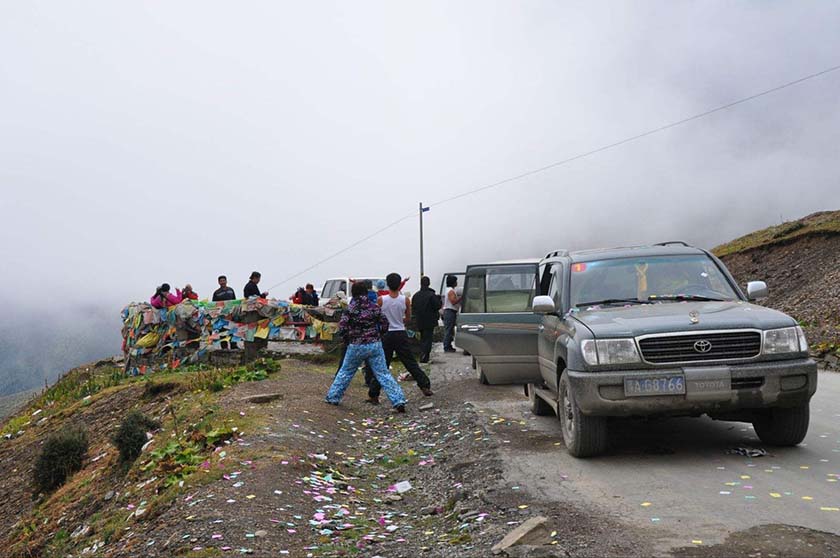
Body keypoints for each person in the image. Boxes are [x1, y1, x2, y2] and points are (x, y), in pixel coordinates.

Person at [326, 281, 407, 412]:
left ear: (353, 293)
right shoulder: (374, 307)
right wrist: (378, 335)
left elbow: (342, 328)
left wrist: (348, 339)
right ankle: (398, 400)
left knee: (346, 372)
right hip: (374, 344)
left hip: (356, 345)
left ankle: (333, 397)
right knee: (383, 373)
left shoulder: (350, 309)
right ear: (366, 292)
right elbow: (385, 323)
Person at [368, 273, 433, 402]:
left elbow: (375, 317)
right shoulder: (405, 300)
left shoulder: (381, 300)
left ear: (387, 283)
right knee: (410, 362)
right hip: (400, 333)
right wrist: (399, 321)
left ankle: (374, 394)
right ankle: (424, 385)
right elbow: (408, 318)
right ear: (399, 284)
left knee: (382, 365)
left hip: (386, 334)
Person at [412, 276, 442, 363]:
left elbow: (413, 308)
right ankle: (425, 357)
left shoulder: (416, 295)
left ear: (420, 283)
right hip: (429, 321)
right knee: (428, 339)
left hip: (419, 320)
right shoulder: (431, 295)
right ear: (429, 283)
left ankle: (422, 355)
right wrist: (439, 299)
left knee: (422, 338)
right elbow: (437, 306)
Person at [212, 276, 237, 349]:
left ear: (226, 281)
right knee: (223, 331)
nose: (222, 282)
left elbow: (234, 301)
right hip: (222, 316)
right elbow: (214, 305)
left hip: (231, 314)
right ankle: (224, 347)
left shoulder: (231, 290)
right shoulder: (216, 293)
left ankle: (234, 345)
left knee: (232, 330)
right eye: (221, 281)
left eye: (224, 280)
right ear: (219, 282)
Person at [443, 275, 462, 352]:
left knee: (450, 329)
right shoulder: (451, 291)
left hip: (450, 311)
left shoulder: (449, 290)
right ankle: (447, 346)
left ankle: (448, 345)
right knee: (449, 329)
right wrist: (461, 298)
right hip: (450, 311)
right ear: (453, 282)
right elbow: (453, 301)